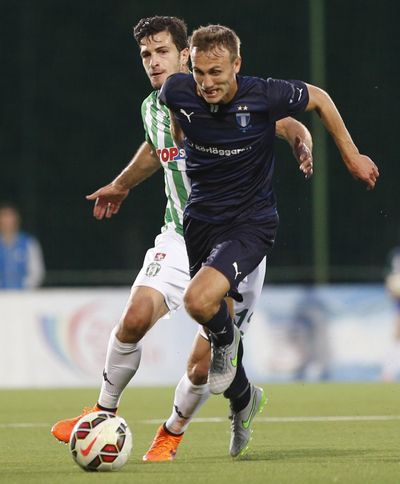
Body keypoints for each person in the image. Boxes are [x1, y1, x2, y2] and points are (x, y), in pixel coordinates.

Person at [51, 16, 313, 459]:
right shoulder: (155, 105)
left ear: (186, 54)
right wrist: (122, 184)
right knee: (134, 317)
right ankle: (100, 412)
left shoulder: (227, 99)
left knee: (203, 365)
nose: (153, 63)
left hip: (235, 240)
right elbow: (157, 150)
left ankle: (174, 430)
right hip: (179, 235)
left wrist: (302, 143)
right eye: (146, 55)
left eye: (162, 52)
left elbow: (286, 124)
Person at [157, 22, 379, 452]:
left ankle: (227, 344)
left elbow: (319, 98)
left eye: (217, 73)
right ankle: (245, 398)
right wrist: (183, 141)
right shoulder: (177, 91)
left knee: (198, 303)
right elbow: (177, 117)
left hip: (251, 223)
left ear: (237, 65)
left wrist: (350, 155)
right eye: (200, 72)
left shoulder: (263, 95)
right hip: (201, 220)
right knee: (207, 354)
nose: (206, 83)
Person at [0, 202, 45, 289]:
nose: (7, 220)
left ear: (17, 218)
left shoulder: (29, 243)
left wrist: (23, 287)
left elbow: (37, 272)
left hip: (24, 296)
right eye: (3, 216)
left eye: (10, 216)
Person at [382, 245, 400, 381]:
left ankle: (388, 373)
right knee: (395, 341)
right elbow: (392, 292)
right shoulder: (394, 278)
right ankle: (388, 373)